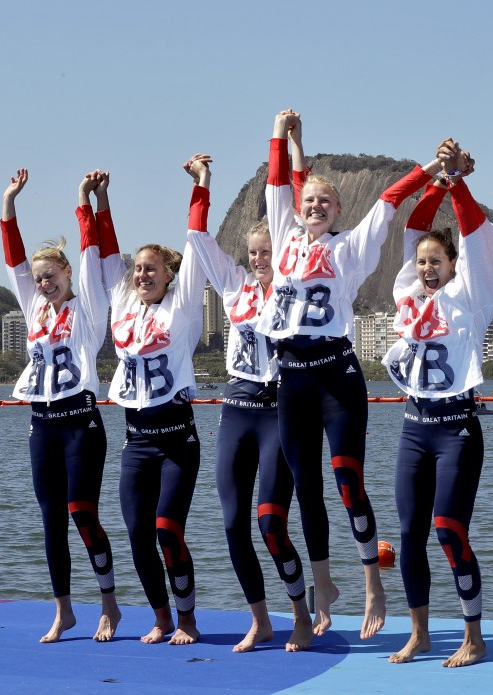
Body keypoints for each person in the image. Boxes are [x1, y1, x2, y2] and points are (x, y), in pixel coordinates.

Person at [257, 110, 449, 639]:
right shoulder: (287, 233)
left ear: (339, 209)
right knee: (305, 486)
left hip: (336, 377)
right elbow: (282, 183)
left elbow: (390, 200)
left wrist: (433, 167)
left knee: (347, 482)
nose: (315, 207)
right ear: (299, 210)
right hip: (292, 377)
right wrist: (283, 136)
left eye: (326, 202)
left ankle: (371, 583)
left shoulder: (351, 246)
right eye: (309, 201)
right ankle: (323, 592)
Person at [383, 142, 493, 667]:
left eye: (437, 261)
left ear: (454, 266)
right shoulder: (408, 293)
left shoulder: (471, 298)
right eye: (423, 262)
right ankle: (420, 633)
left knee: (448, 529)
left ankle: (473, 635)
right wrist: (436, 180)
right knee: (410, 536)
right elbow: (415, 225)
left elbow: (475, 241)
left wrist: (458, 185)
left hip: (456, 428)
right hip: (414, 427)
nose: (428, 268)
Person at [186, 155, 313, 652]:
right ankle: (260, 619)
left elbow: (298, 209)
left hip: (279, 412)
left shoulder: (294, 285)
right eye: (254, 253)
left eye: (267, 252)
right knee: (234, 523)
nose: (261, 259)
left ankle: (300, 613)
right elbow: (198, 239)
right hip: (237, 408)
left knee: (270, 522)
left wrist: (288, 147)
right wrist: (203, 183)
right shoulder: (234, 285)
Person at [0, 168, 121, 643]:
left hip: (80, 422)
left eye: (50, 276)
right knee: (51, 519)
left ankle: (108, 605)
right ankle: (63, 611)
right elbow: (12, 257)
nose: (43, 284)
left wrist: (83, 199)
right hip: (42, 423)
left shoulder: (89, 309)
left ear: (66, 273)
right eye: (39, 279)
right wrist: (9, 202)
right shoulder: (33, 307)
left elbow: (92, 255)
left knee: (81, 512)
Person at [103, 155, 209, 645]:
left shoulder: (182, 310)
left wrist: (200, 186)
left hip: (176, 441)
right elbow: (104, 259)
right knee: (138, 537)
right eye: (139, 269)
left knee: (168, 529)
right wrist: (99, 202)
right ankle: (161, 615)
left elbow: (194, 241)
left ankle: (187, 618)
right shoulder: (124, 302)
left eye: (152, 269)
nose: (143, 274)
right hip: (136, 441)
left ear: (169, 276)